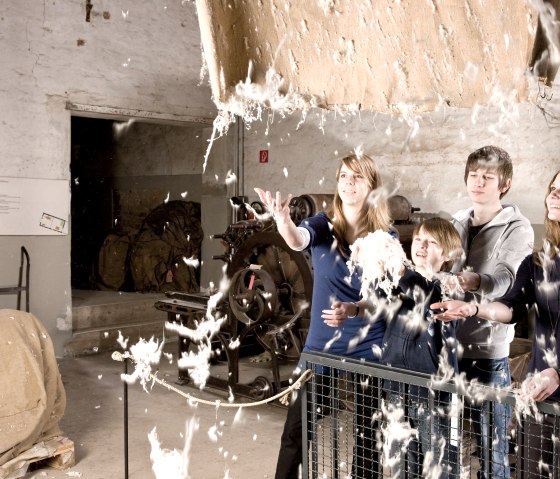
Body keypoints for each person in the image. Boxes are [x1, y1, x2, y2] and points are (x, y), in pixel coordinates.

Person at [255, 152, 393, 479]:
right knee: (296, 430)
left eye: (357, 177)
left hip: (367, 345)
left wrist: (355, 309)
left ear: (372, 185)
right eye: (344, 176)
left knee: (367, 435)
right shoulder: (321, 225)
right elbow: (297, 239)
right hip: (322, 345)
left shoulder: (384, 239)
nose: (349, 183)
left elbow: (386, 300)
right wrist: (283, 221)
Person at [431, 169, 560, 479]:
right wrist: (472, 308)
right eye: (553, 188)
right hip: (540, 393)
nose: (554, 195)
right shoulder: (539, 261)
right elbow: (512, 307)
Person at [448, 145, 534, 479]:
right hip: (450, 351)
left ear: (505, 183)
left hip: (488, 356)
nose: (478, 182)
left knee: (491, 451)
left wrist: (474, 281)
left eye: (488, 176)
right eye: (473, 175)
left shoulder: (518, 227)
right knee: (448, 446)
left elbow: (506, 281)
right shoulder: (455, 221)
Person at [378, 217, 462, 479]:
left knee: (438, 465)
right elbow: (378, 302)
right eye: (417, 240)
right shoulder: (400, 282)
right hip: (396, 388)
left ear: (447, 254)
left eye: (432, 242)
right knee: (402, 465)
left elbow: (425, 297)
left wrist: (402, 273)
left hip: (433, 396)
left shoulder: (450, 286)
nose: (422, 246)